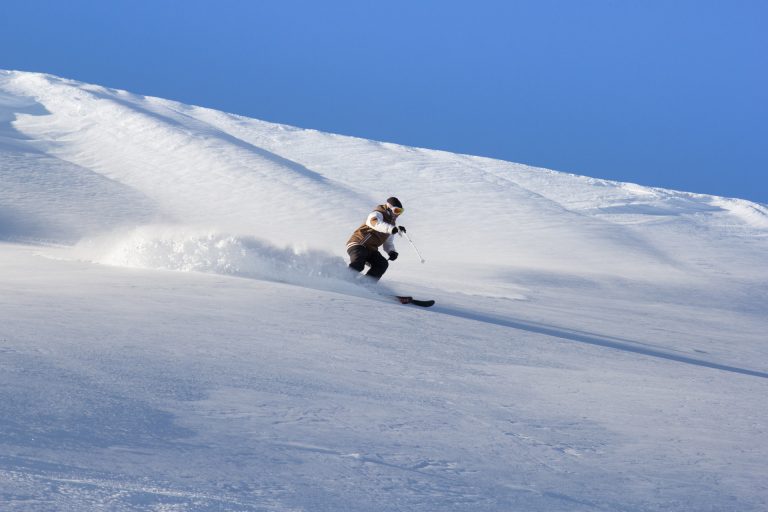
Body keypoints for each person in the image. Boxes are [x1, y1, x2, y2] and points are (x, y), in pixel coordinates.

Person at [346, 197, 406, 281]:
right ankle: (344, 279)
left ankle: (366, 285)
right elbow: (374, 223)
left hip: (371, 249)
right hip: (359, 243)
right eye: (396, 211)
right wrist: (392, 229)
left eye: (400, 212)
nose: (398, 214)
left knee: (382, 264)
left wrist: (391, 251)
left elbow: (388, 243)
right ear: (389, 208)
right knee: (359, 263)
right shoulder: (378, 213)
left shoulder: (391, 224)